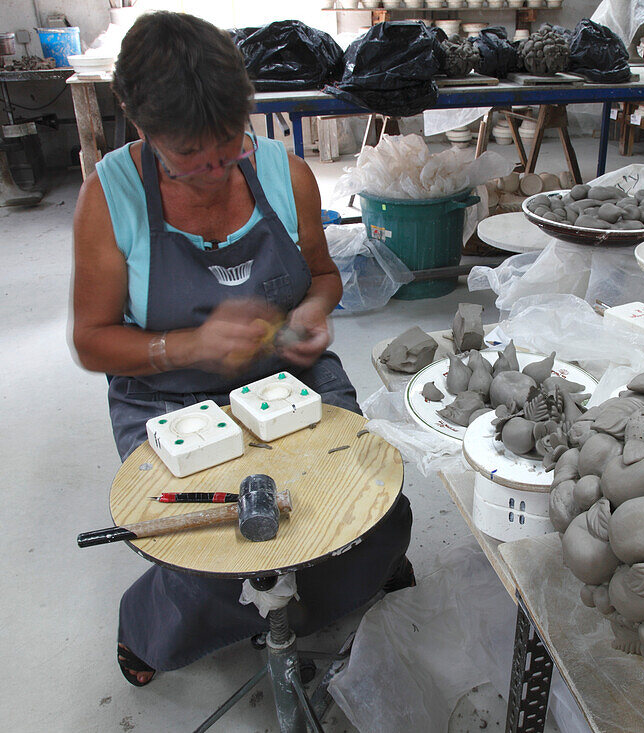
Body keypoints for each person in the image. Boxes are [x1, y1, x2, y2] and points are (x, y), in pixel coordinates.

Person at [70, 11, 413, 687]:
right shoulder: (109, 198)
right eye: (190, 157)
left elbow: (321, 276)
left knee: (372, 512)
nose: (216, 169)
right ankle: (155, 631)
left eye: (230, 148)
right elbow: (91, 341)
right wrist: (185, 344)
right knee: (210, 556)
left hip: (289, 374)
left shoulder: (285, 174)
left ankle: (319, 596)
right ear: (137, 122)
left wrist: (313, 314)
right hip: (165, 393)